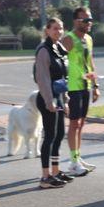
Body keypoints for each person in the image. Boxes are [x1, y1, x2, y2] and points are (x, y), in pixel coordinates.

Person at [34, 18, 74, 188]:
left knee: (58, 135)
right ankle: (45, 177)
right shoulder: (44, 50)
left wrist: (65, 100)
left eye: (61, 28)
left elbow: (63, 78)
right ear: (47, 30)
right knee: (49, 136)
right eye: (55, 29)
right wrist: (49, 101)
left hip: (57, 96)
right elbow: (42, 78)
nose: (58, 31)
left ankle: (56, 171)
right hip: (47, 98)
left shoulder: (59, 48)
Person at [61, 7, 100, 176]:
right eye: (85, 20)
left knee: (81, 124)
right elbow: (58, 61)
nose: (89, 23)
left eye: (90, 19)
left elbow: (90, 61)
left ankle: (77, 157)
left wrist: (96, 85)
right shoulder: (68, 39)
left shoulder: (88, 39)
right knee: (74, 124)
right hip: (73, 88)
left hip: (86, 87)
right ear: (76, 21)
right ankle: (73, 161)